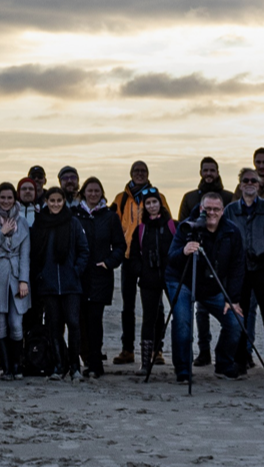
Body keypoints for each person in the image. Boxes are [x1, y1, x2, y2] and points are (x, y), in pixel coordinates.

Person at [166, 194, 247, 384]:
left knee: (236, 321)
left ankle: (224, 364)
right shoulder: (188, 227)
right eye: (207, 209)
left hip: (212, 285)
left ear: (222, 211)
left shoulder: (231, 231)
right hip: (182, 281)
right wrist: (184, 251)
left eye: (216, 209)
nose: (211, 213)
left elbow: (237, 267)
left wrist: (233, 299)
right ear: (201, 209)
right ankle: (183, 370)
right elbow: (171, 258)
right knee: (183, 324)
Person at [224, 167, 264, 376]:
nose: (249, 183)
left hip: (262, 266)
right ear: (240, 185)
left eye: (253, 180)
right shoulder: (231, 210)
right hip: (240, 268)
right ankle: (240, 361)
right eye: (245, 180)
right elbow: (226, 237)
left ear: (259, 184)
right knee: (240, 314)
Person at [29, 187, 89, 381]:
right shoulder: (40, 223)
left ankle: (75, 367)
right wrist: (40, 275)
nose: (55, 204)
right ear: (46, 201)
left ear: (64, 201)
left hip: (71, 284)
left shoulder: (73, 222)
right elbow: (35, 254)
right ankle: (58, 366)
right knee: (54, 326)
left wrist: (76, 270)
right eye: (52, 201)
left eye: (59, 201)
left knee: (73, 323)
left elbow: (84, 250)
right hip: (48, 285)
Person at [111, 161, 167, 365]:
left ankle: (156, 350)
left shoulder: (158, 197)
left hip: (152, 260)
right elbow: (113, 224)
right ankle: (128, 349)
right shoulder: (121, 198)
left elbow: (167, 222)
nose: (140, 174)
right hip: (128, 257)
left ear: (148, 173)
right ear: (131, 173)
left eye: (143, 171)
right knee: (128, 306)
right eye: (137, 171)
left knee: (155, 307)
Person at [74, 177, 125, 379]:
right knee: (79, 321)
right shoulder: (74, 215)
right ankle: (78, 361)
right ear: (83, 192)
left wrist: (109, 262)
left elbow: (120, 246)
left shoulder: (110, 217)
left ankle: (95, 364)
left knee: (95, 320)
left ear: (102, 193)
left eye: (97, 191)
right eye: (89, 190)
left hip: (100, 276)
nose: (93, 194)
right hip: (78, 275)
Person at [0, 183, 32, 380]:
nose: (6, 201)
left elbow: (25, 254)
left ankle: (18, 364)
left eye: (9, 198)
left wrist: (24, 280)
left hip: (16, 277)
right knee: (0, 323)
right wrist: (1, 232)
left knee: (16, 323)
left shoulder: (22, 221)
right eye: (2, 197)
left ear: (15, 199)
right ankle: (7, 367)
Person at [128, 187, 174, 373]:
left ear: (160, 204)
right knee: (149, 319)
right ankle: (146, 363)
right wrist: (142, 271)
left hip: (171, 278)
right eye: (148, 203)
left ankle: (181, 360)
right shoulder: (140, 230)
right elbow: (133, 255)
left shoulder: (172, 226)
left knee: (179, 316)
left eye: (155, 202)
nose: (152, 206)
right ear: (144, 206)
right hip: (149, 280)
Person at [177, 157, 223, 221]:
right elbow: (182, 224)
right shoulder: (189, 198)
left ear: (217, 173)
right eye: (205, 170)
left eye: (212, 170)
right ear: (200, 172)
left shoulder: (229, 197)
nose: (208, 173)